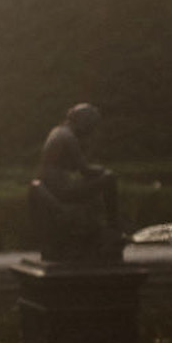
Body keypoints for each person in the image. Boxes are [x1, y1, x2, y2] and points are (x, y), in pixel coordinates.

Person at [31, 102, 123, 260]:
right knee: (109, 178)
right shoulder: (69, 137)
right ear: (83, 122)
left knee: (93, 186)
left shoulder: (58, 131)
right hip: (61, 189)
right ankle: (113, 225)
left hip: (53, 185)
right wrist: (101, 170)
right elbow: (85, 169)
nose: (91, 131)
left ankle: (101, 229)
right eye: (91, 126)